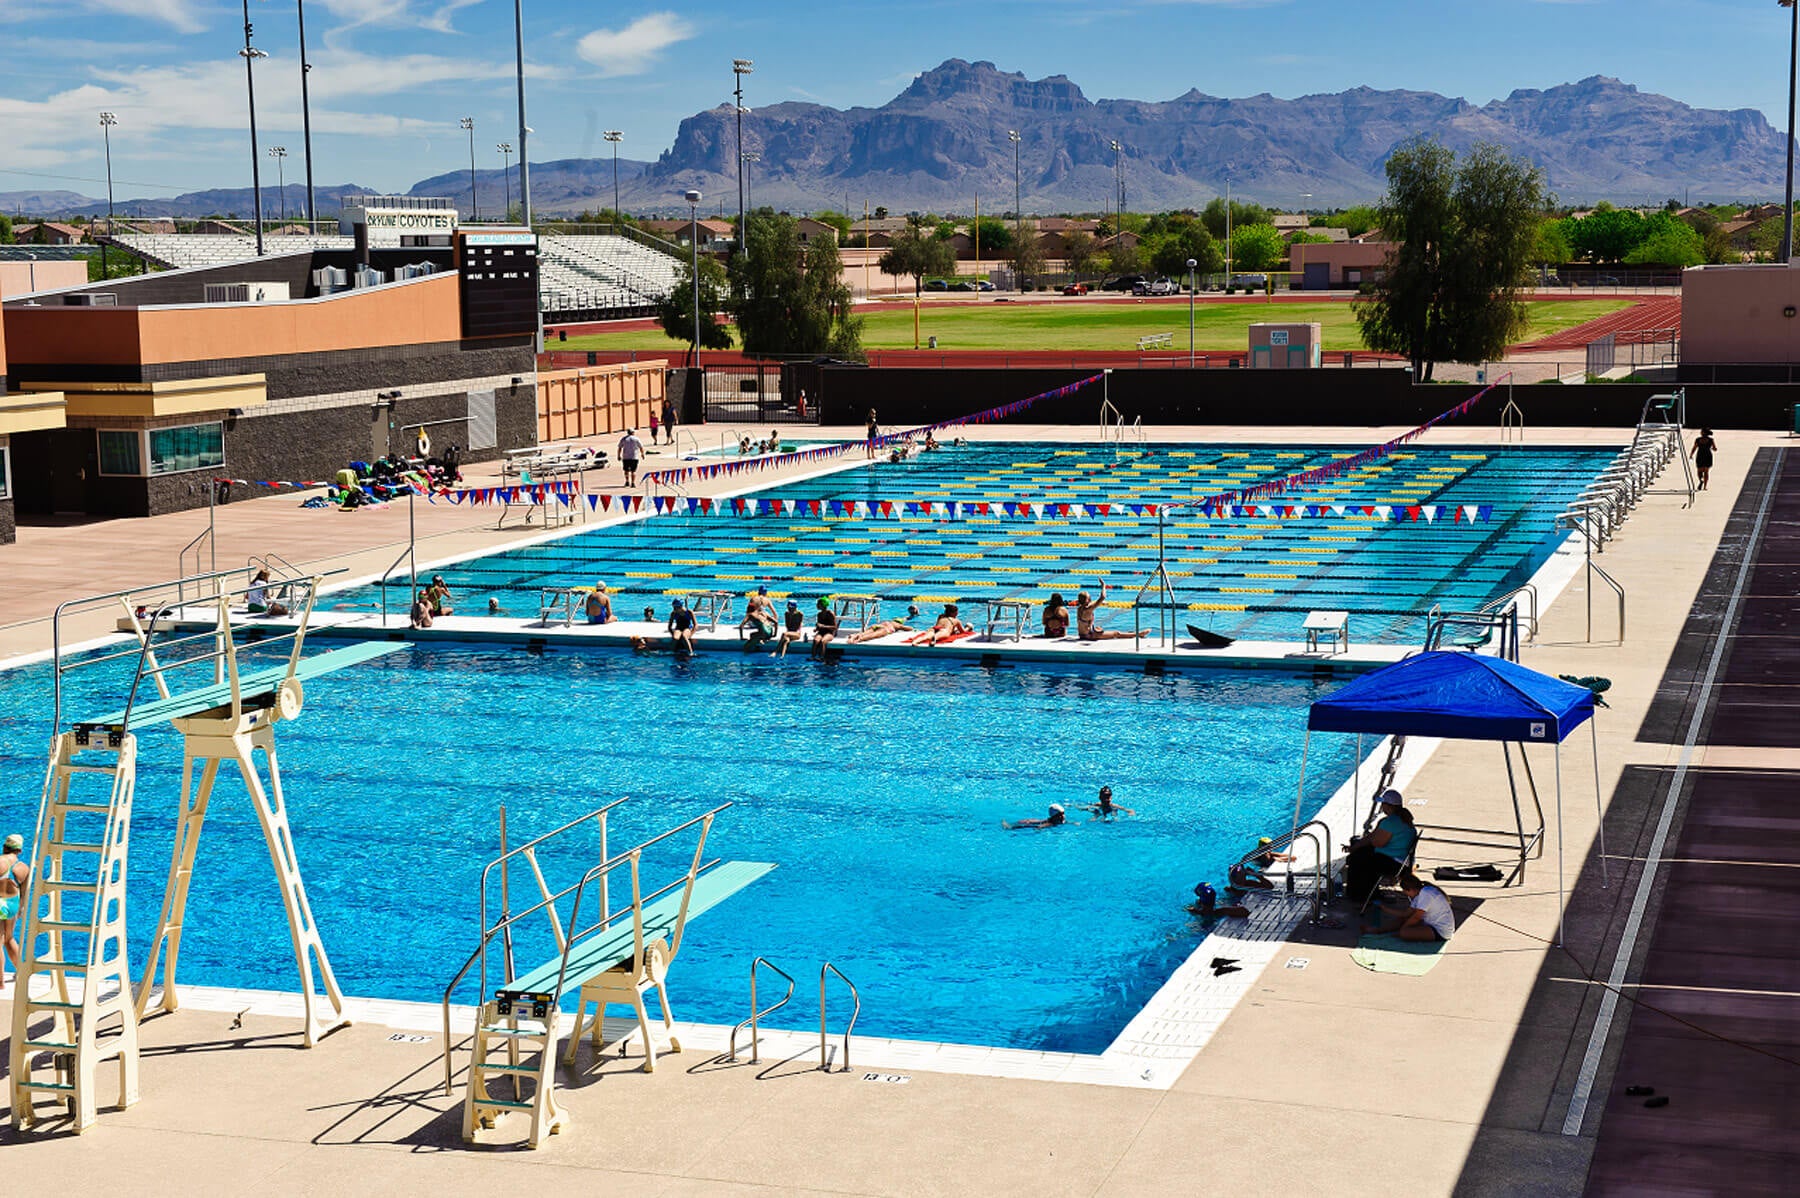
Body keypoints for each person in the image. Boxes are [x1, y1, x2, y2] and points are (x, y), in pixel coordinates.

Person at [1342, 789, 1420, 908]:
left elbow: (1377, 842)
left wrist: (1357, 846)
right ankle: (1368, 892)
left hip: (1394, 863)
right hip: (1401, 860)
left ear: (1387, 806)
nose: (1381, 807)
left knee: (1356, 859)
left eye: (1383, 804)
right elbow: (1373, 838)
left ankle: (1359, 895)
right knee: (1359, 853)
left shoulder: (1390, 822)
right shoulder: (1404, 819)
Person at [1365, 870, 1456, 942]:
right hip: (1429, 924)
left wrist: (1404, 928)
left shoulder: (1426, 894)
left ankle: (1403, 931)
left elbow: (1416, 917)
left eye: (1405, 891)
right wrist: (1384, 908)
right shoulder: (1418, 896)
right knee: (1403, 920)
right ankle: (1379, 930)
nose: (1405, 893)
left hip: (1441, 931)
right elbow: (1405, 914)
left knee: (1405, 933)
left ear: (1410, 890)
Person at [0, 833, 29, 988]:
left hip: (0, 901)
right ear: (19, 850)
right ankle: (22, 972)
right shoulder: (24, 868)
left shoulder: (0, 861)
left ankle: (0, 982)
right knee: (9, 938)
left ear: (5, 847)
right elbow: (24, 894)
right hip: (12, 903)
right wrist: (20, 910)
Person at [1076, 581, 1146, 641]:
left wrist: (1101, 603)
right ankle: (1138, 634)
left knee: (1100, 628)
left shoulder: (1080, 608)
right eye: (1090, 597)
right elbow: (1102, 597)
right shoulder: (1088, 609)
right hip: (1089, 636)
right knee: (1116, 634)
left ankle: (1130, 633)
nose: (1091, 599)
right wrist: (1103, 585)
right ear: (1087, 600)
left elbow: (1093, 604)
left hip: (1083, 634)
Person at [847, 614, 916, 643]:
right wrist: (914, 629)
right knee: (872, 635)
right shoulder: (897, 625)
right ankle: (859, 639)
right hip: (884, 629)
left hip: (876, 625)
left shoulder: (888, 621)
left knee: (865, 633)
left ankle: (855, 635)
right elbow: (908, 628)